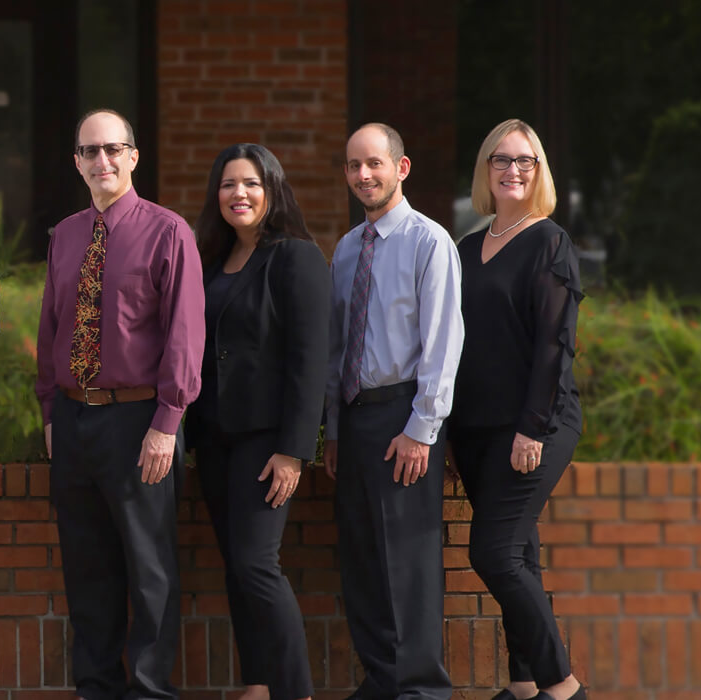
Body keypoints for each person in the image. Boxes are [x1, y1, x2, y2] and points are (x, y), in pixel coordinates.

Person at [34, 109, 202, 700]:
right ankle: (96, 686)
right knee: (88, 567)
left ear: (133, 156)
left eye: (112, 149)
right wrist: (51, 411)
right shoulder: (66, 234)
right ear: (76, 162)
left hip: (140, 422)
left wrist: (167, 424)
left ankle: (152, 689)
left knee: (148, 567)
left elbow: (185, 335)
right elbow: (51, 326)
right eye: (88, 152)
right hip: (75, 420)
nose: (100, 161)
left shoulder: (167, 232)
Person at [322, 123, 462, 700]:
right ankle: (382, 680)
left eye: (374, 164)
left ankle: (421, 690)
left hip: (404, 416)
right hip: (355, 421)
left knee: (407, 565)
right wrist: (332, 427)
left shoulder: (430, 242)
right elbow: (336, 346)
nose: (363, 176)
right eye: (354, 166)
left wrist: (421, 430)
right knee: (361, 560)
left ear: (400, 169)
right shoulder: (347, 248)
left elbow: (442, 342)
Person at [449, 119, 586, 700]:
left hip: (534, 424)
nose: (512, 170)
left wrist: (531, 428)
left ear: (539, 172)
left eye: (525, 161)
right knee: (520, 555)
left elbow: (554, 342)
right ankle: (525, 686)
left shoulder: (548, 241)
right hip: (476, 428)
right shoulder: (464, 248)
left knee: (494, 552)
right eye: (500, 160)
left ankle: (563, 686)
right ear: (486, 171)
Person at [185, 143, 328, 700]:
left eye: (250, 183)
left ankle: (295, 690)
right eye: (227, 185)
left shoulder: (295, 257)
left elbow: (310, 359)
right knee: (236, 567)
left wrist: (295, 449)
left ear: (272, 189)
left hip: (267, 442)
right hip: (216, 439)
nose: (237, 194)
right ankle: (259, 683)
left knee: (256, 564)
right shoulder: (213, 260)